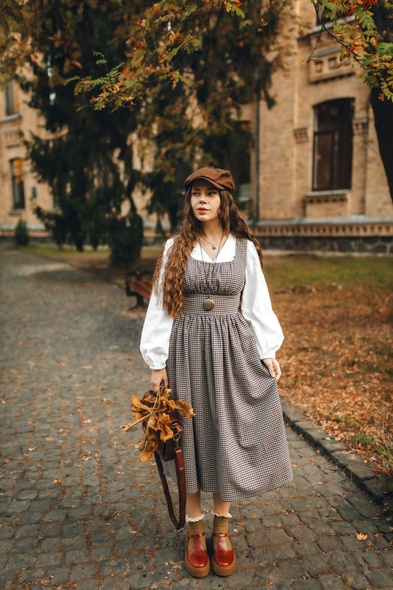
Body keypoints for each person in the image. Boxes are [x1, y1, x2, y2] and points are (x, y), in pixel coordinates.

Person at [140, 166, 292, 578]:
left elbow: (257, 305)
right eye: (195, 194)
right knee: (189, 439)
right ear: (189, 202)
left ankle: (222, 528)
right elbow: (160, 306)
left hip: (232, 349)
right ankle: (194, 530)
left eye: (211, 193)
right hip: (185, 348)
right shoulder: (176, 247)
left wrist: (267, 351)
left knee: (226, 432)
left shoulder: (243, 248)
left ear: (226, 199)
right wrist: (157, 363)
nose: (201, 200)